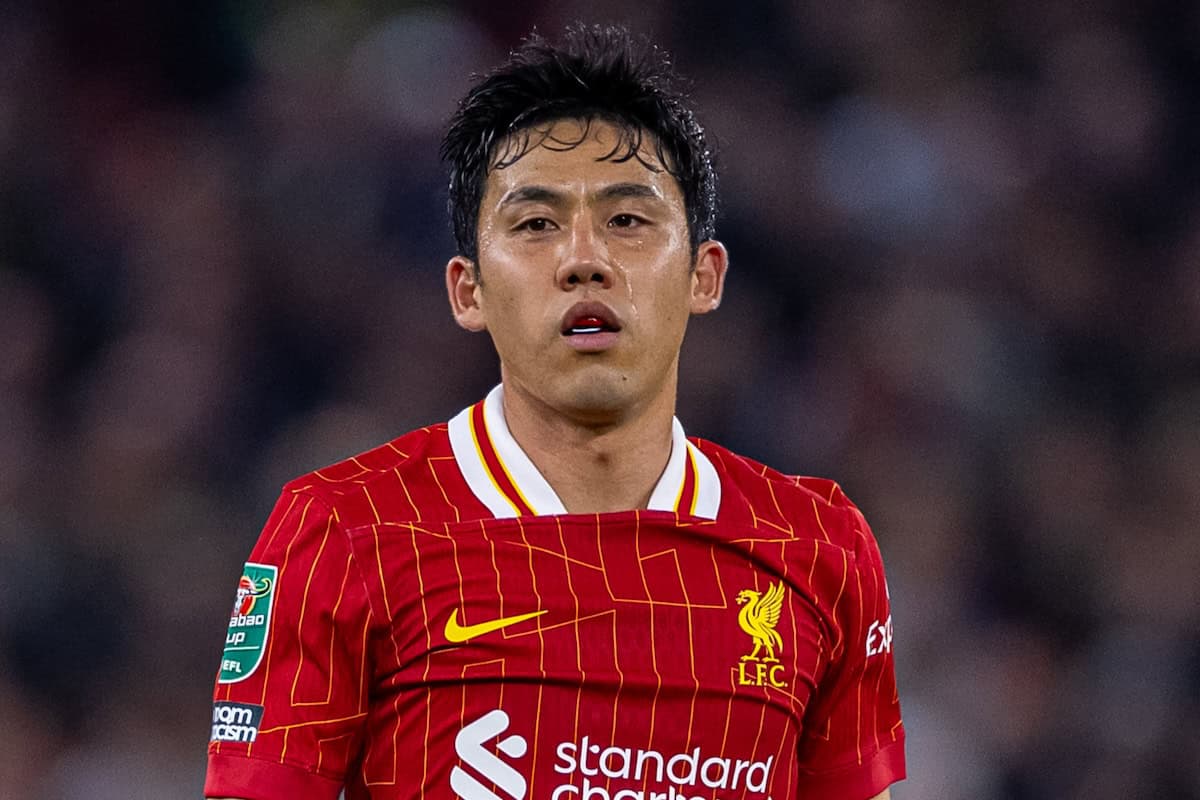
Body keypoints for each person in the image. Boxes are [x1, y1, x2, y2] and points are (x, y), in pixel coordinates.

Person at [205, 23, 905, 800]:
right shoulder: (344, 531)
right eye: (536, 224)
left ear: (705, 277)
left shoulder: (817, 547)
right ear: (468, 291)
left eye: (629, 220)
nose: (584, 260)